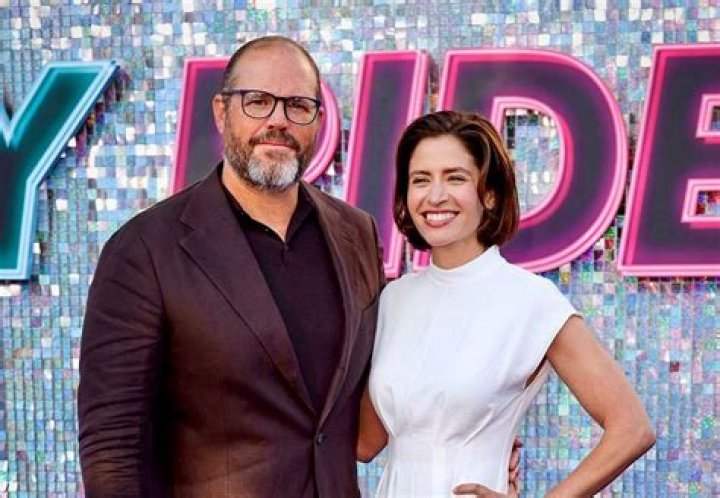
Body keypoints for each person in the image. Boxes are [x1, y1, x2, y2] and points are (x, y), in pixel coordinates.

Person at [77, 36, 387, 497]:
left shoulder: (356, 233)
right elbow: (111, 445)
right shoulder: (145, 248)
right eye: (258, 101)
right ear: (222, 112)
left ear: (319, 122)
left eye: (298, 106)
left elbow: (381, 394)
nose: (278, 120)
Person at [357, 110, 656, 497]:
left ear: (490, 194)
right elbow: (365, 442)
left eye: (455, 178)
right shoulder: (393, 299)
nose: (435, 196)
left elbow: (632, 428)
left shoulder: (530, 300)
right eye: (420, 180)